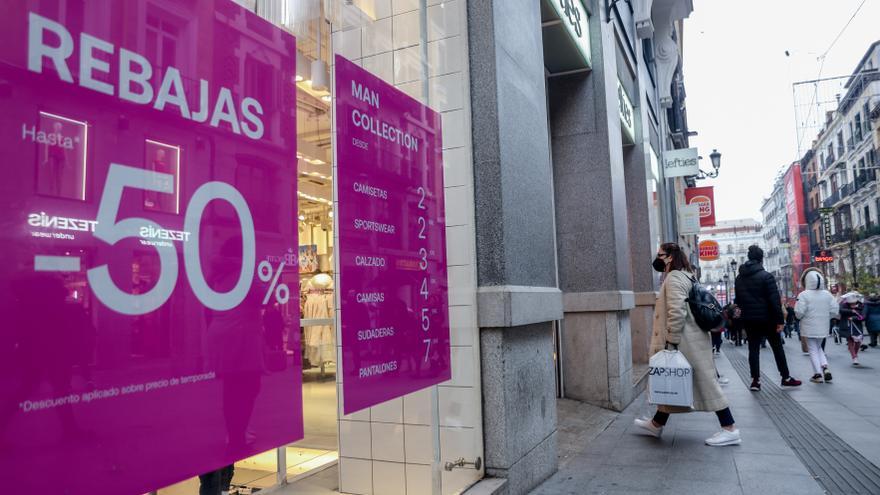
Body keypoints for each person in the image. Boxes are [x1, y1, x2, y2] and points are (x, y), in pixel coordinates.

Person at [634, 243, 741, 446]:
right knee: (671, 381)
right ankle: (656, 424)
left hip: (685, 341)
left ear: (670, 257)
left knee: (706, 384)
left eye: (660, 255)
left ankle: (730, 429)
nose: (657, 259)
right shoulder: (686, 275)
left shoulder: (674, 278)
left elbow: (676, 311)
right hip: (692, 339)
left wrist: (671, 341)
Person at [734, 245, 802, 391]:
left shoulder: (739, 278)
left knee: (753, 349)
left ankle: (755, 381)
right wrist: (780, 321)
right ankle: (785, 377)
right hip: (768, 319)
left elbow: (738, 301)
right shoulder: (766, 276)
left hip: (750, 319)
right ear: (761, 259)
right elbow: (774, 301)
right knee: (777, 348)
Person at [794, 268, 838, 383]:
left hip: (808, 326)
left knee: (813, 349)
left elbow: (799, 313)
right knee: (819, 348)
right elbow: (834, 310)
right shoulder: (827, 295)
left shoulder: (804, 295)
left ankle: (817, 374)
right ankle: (825, 367)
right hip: (823, 326)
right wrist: (826, 317)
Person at [838, 293, 866, 365]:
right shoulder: (843, 304)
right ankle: (854, 357)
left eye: (854, 303)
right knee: (850, 340)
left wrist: (853, 318)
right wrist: (850, 311)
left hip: (857, 326)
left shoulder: (861, 306)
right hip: (847, 326)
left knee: (858, 342)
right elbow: (840, 310)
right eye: (851, 303)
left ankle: (855, 354)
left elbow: (863, 317)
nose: (852, 304)